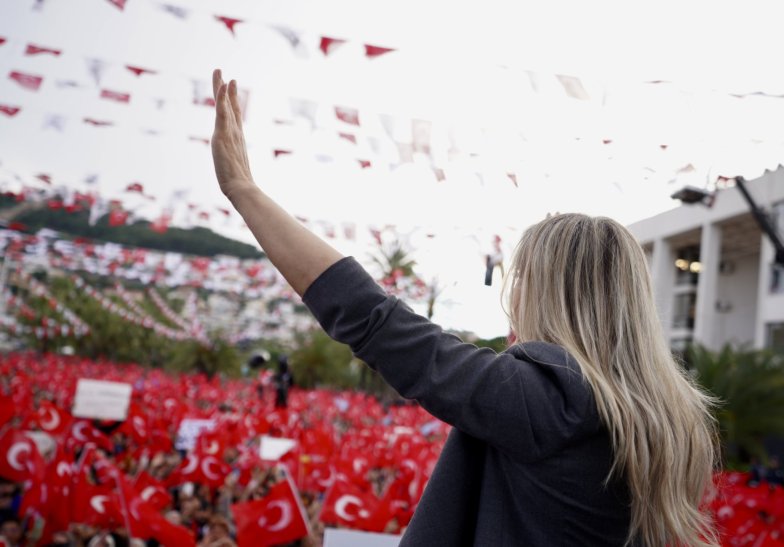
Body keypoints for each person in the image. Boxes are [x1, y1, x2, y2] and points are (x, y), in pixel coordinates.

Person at [209, 69, 720, 546]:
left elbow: (373, 319)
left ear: (551, 295)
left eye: (521, 279)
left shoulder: (551, 399)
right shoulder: (671, 418)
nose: (513, 295)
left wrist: (245, 192)